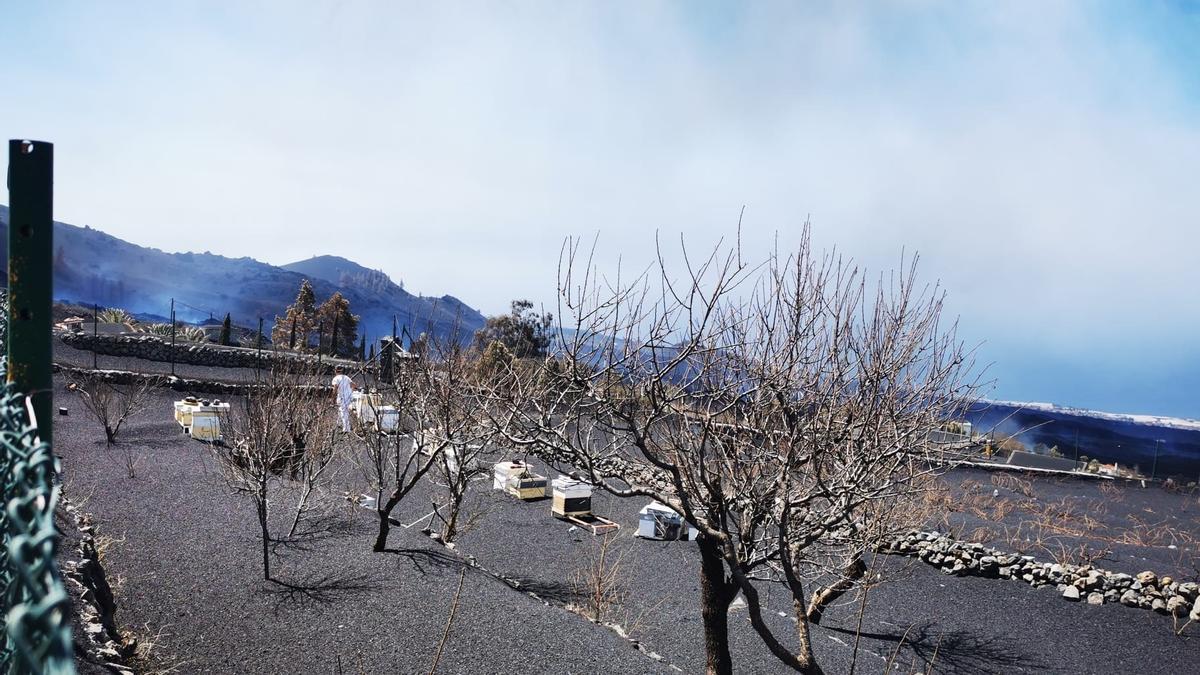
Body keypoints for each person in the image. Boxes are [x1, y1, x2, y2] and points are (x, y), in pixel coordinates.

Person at [331, 365, 357, 433]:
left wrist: (333, 399)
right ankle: (339, 424)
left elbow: (335, 388)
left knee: (344, 412)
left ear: (335, 370)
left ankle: (346, 429)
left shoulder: (336, 378)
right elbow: (354, 385)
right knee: (342, 410)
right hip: (349, 396)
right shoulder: (346, 377)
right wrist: (351, 391)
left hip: (342, 397)